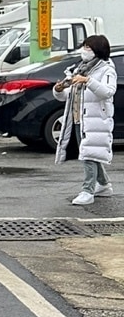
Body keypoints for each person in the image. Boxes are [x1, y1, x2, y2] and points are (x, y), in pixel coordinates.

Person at [53, 35, 117, 205]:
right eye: (84, 47)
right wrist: (59, 89)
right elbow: (69, 95)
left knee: (88, 155)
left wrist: (88, 81)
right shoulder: (81, 69)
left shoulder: (106, 70)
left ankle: (87, 191)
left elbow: (108, 91)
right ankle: (103, 184)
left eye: (88, 47)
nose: (84, 50)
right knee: (91, 153)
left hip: (95, 120)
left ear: (98, 50)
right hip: (78, 118)